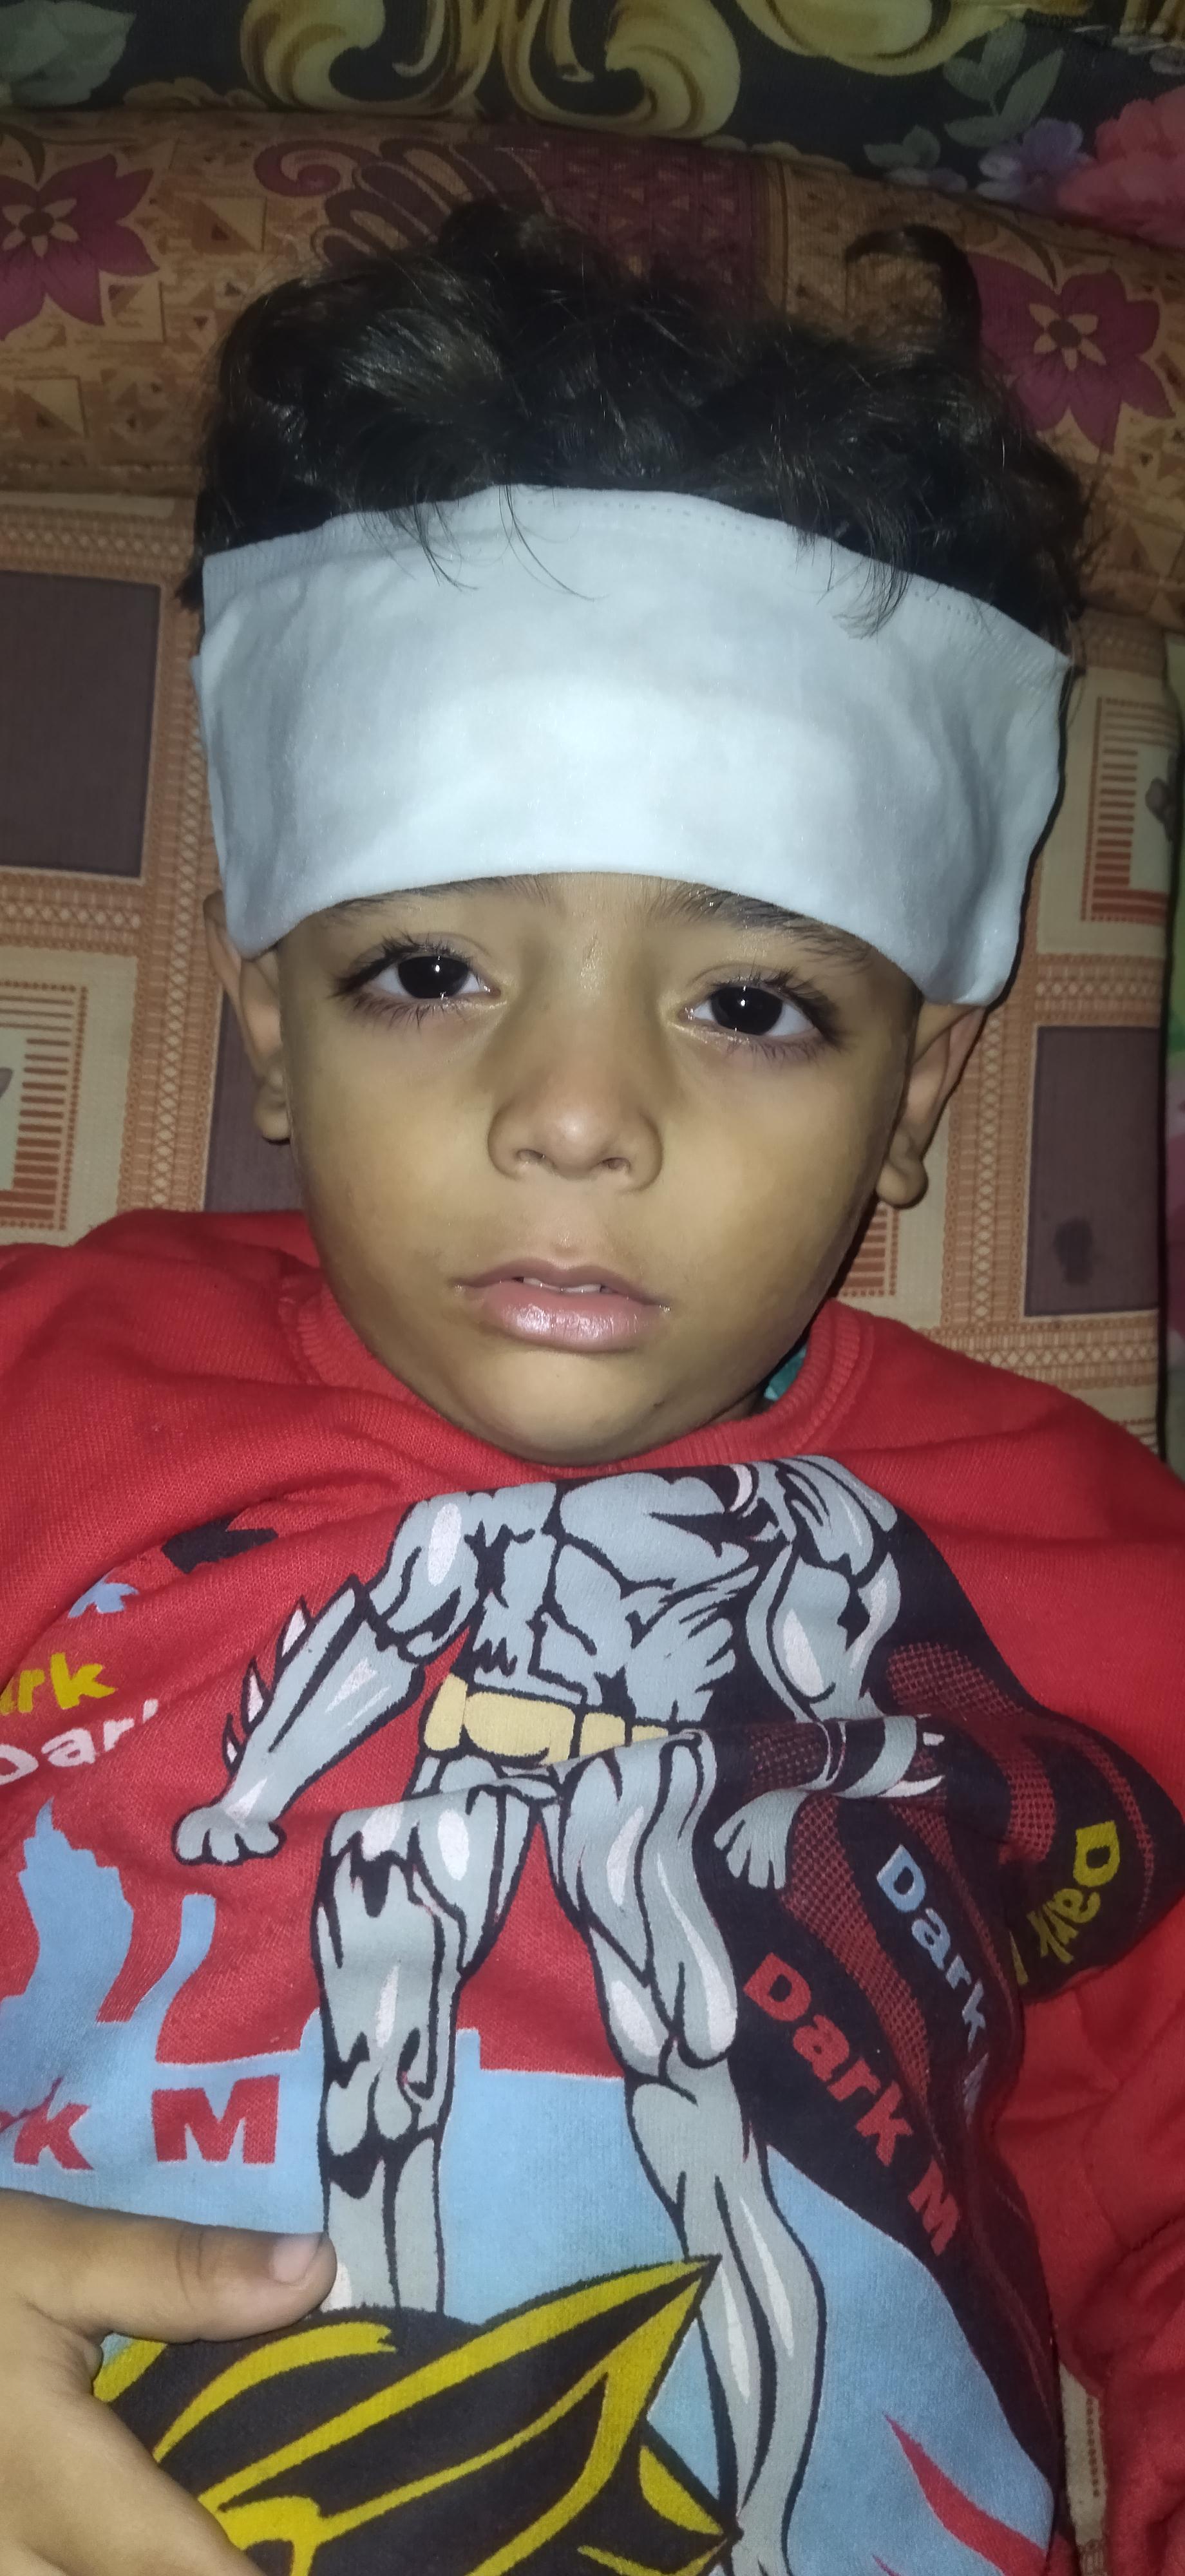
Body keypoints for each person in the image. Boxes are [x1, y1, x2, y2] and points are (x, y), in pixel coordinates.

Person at [0, 203, 1182, 2576]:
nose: (573, 1118)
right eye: (429, 969)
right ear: (262, 1015)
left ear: (921, 1084)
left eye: (751, 1004)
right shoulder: (44, 1387)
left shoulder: (1096, 1578)